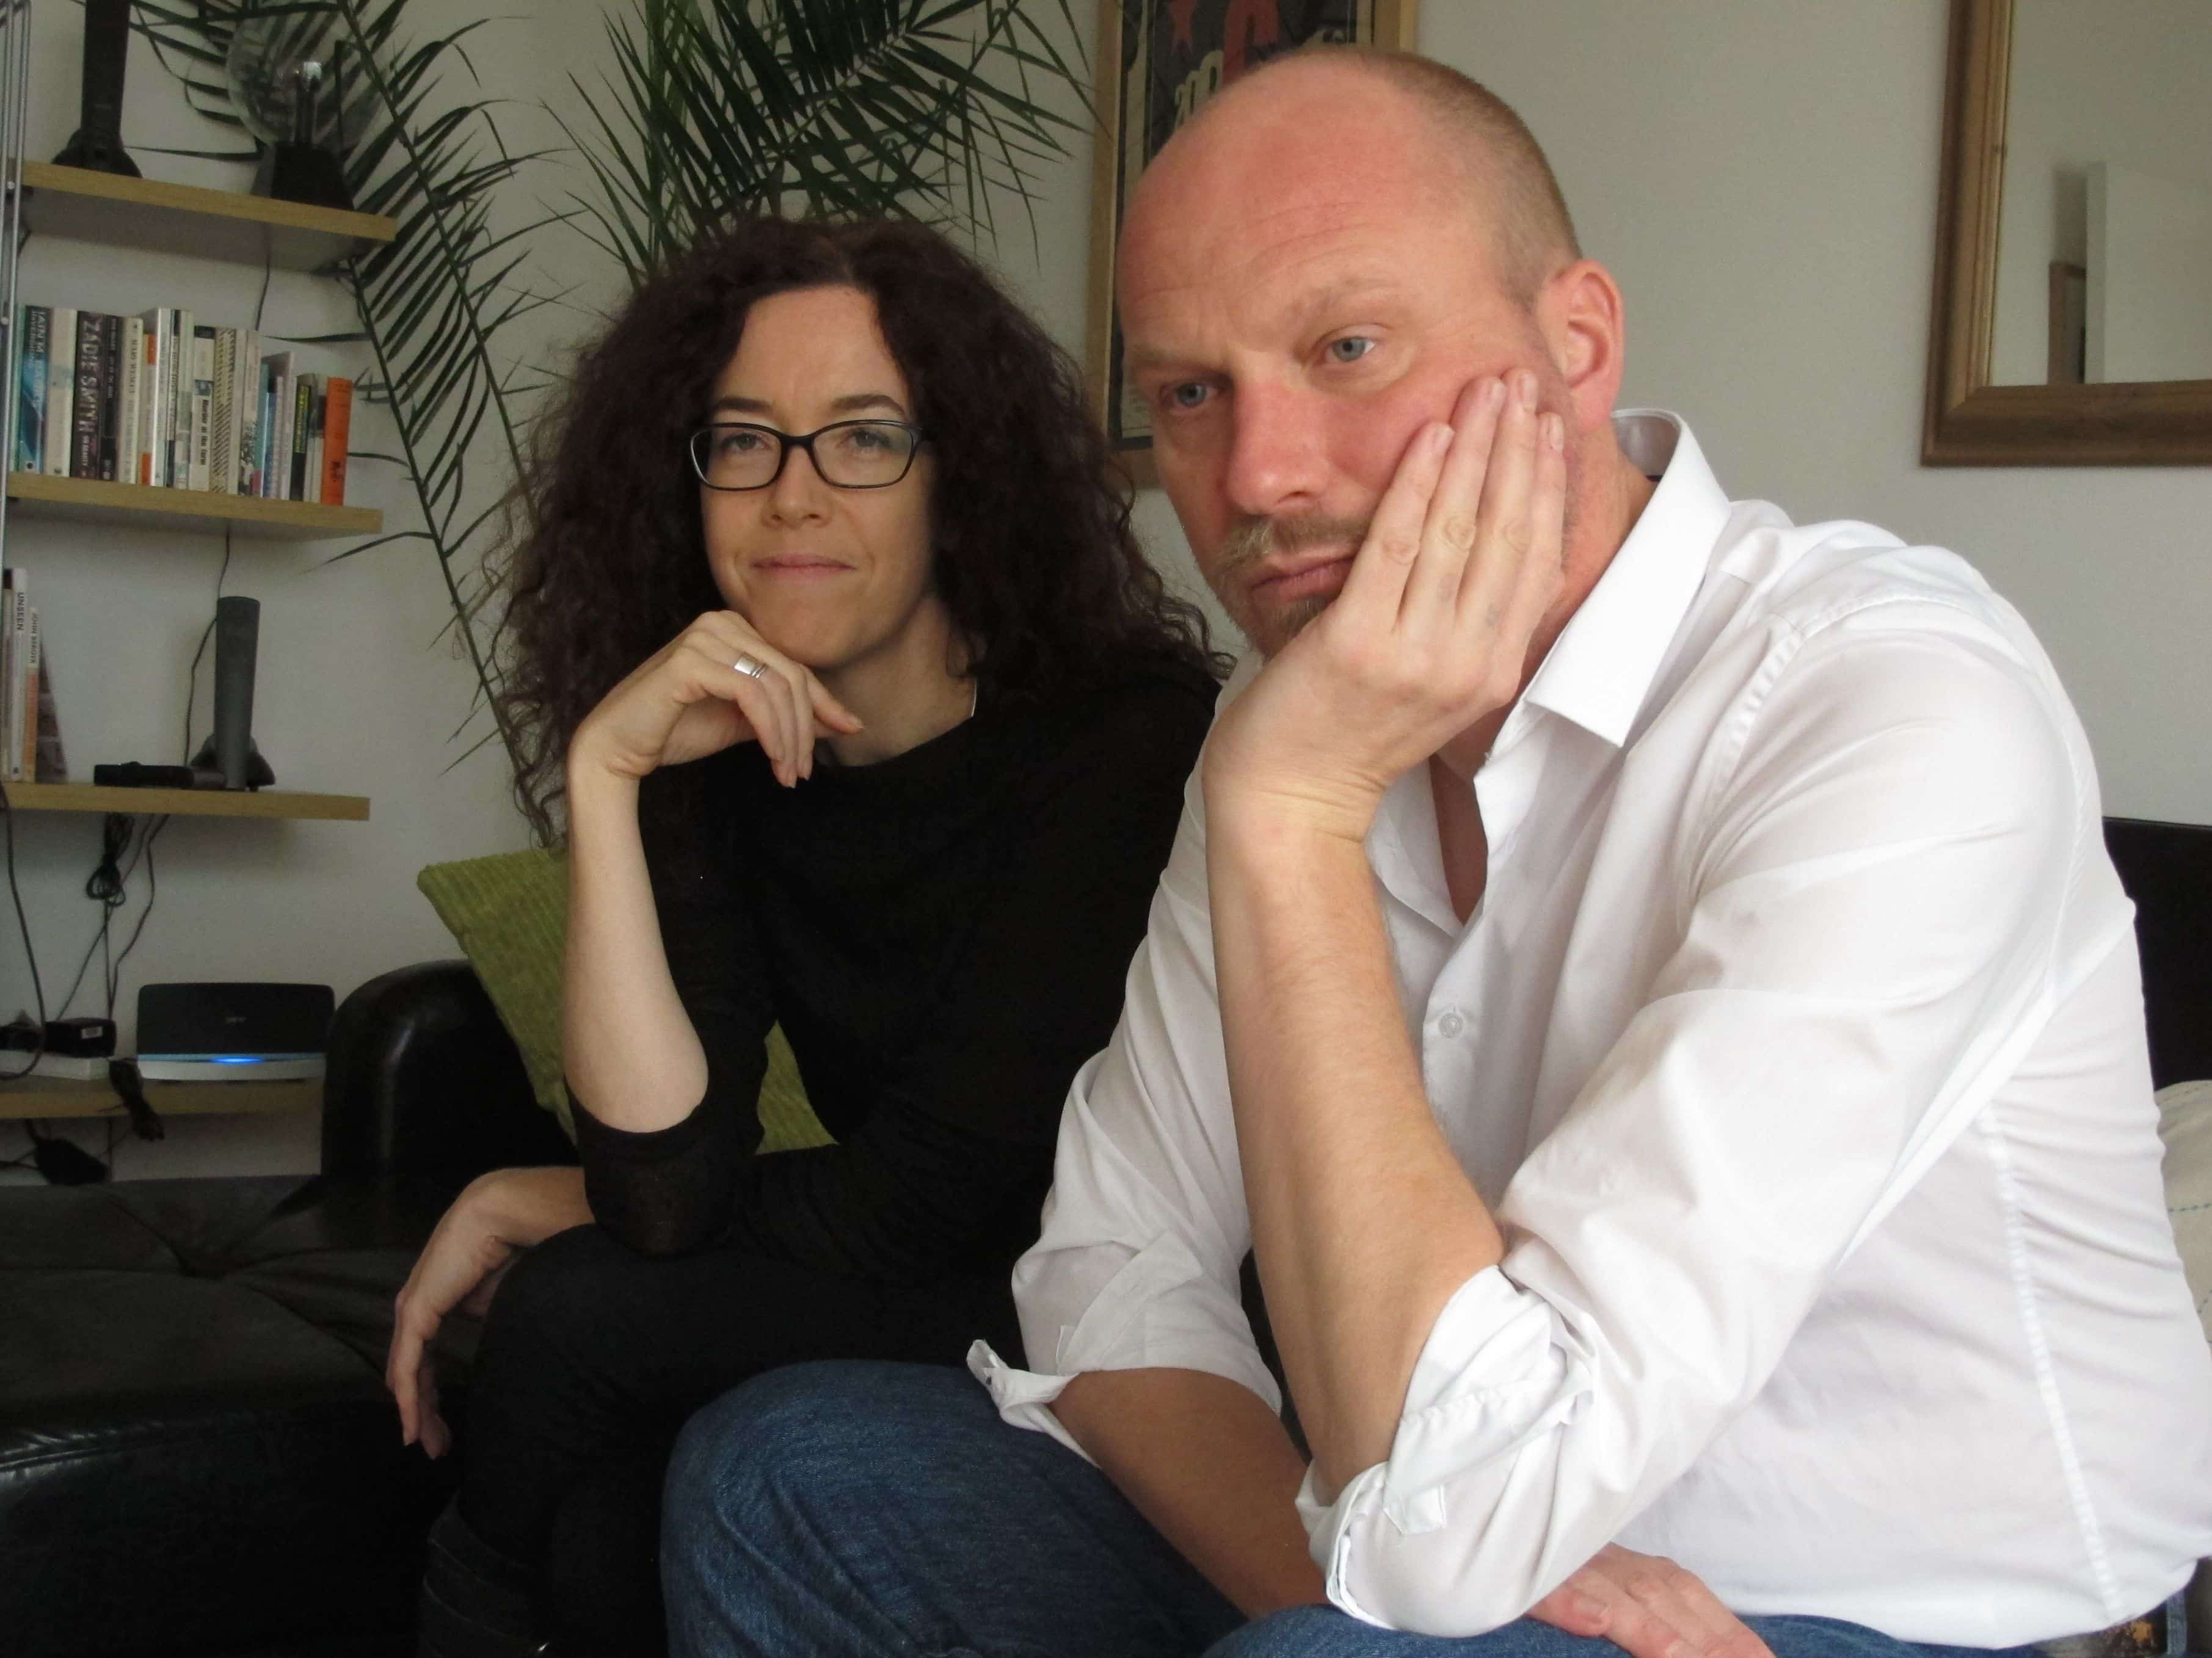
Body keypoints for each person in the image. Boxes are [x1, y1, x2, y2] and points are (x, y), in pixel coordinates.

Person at [658, 47, 2212, 1658]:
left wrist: (1290, 811)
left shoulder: (1881, 702)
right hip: (1458, 1534)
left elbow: (1458, 1505)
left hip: (1915, 1618)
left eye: (1344, 346)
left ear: (1575, 342)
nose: (1256, 476)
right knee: (786, 1470)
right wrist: (1363, 1578)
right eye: (1190, 393)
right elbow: (1109, 1265)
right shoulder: (1295, 734)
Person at [385, 214, 1224, 1658]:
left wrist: (538, 1195)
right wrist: (608, 774)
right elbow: (665, 1191)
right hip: (904, 1276)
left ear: (956, 477)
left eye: (861, 439)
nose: (791, 497)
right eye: (743, 441)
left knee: (578, 1314)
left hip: (1121, 1316)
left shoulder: (1119, 742)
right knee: (605, 1529)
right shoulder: (722, 742)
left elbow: (931, 1195)